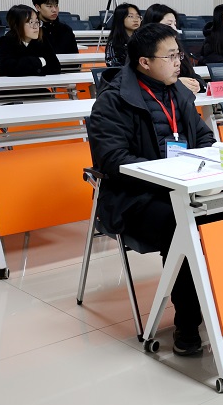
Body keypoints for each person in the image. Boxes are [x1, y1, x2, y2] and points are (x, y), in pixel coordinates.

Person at [87, 24, 215, 357]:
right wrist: (168, 173)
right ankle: (188, 324)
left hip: (183, 188)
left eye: (179, 54)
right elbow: (113, 160)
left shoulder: (179, 94)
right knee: (182, 224)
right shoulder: (113, 101)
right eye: (170, 56)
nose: (179, 62)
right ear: (144, 62)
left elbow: (204, 137)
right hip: (135, 198)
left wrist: (196, 166)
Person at [142, 4, 205, 94]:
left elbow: (192, 75)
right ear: (152, 26)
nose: (174, 29)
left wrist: (197, 84)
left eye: (175, 24)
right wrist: (177, 84)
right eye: (169, 24)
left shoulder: (178, 48)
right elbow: (146, 84)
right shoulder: (143, 49)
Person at [0, 4, 61, 76]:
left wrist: (24, 65)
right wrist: (40, 61)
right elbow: (7, 70)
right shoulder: (5, 42)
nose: (36, 27)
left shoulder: (42, 40)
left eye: (37, 22)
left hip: (40, 82)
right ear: (16, 25)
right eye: (31, 22)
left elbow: (55, 68)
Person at [105, 3, 142, 67]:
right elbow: (113, 67)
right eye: (130, 16)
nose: (136, 20)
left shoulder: (142, 39)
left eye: (138, 16)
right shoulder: (114, 43)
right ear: (120, 18)